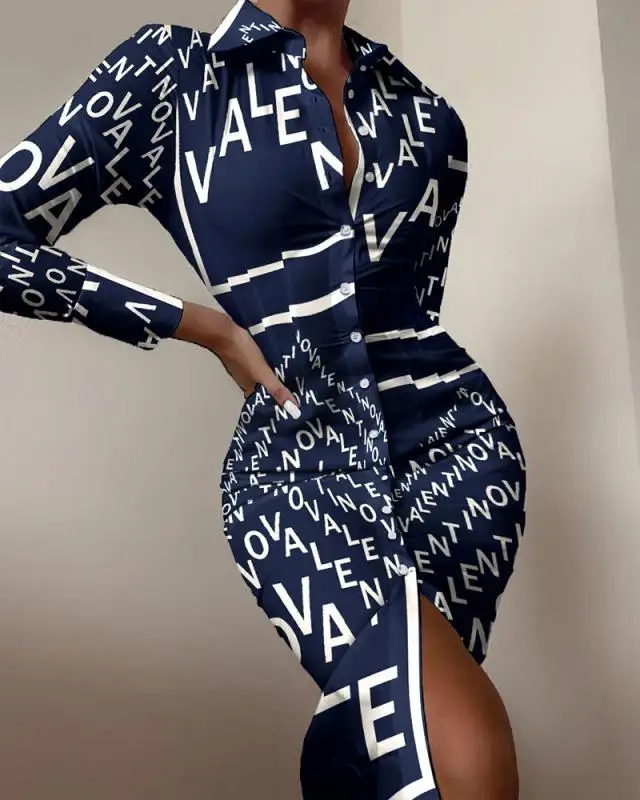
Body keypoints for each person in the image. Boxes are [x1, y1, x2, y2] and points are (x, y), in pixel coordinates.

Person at [0, 1, 528, 797]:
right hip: (294, 467)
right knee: (466, 755)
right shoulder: (173, 77)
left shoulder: (427, 117)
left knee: (396, 755)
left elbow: (411, 311)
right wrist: (201, 326)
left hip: (457, 457)